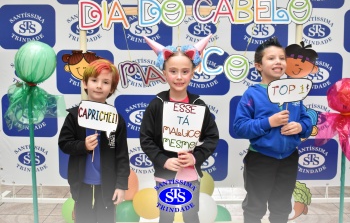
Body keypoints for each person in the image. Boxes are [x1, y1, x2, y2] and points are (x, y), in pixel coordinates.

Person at [140, 35, 219, 223]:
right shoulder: (156, 104)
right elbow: (146, 139)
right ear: (165, 73)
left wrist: (195, 157)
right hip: (164, 174)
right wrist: (163, 161)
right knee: (166, 217)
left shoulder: (199, 105)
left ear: (193, 73)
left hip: (190, 174)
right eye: (173, 71)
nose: (179, 77)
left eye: (185, 71)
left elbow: (212, 137)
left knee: (191, 216)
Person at [233, 37, 313, 223]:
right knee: (255, 207)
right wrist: (269, 122)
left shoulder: (294, 91)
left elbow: (306, 119)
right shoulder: (252, 94)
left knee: (282, 206)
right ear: (258, 66)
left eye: (282, 58)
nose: (278, 61)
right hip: (260, 159)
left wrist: (301, 126)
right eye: (271, 58)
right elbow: (240, 127)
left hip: (288, 159)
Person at [58, 59, 130, 223]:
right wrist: (82, 145)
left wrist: (121, 185)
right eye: (94, 80)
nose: (99, 86)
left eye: (105, 82)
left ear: (111, 88)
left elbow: (122, 156)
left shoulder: (117, 120)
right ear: (85, 83)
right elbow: (64, 143)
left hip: (107, 185)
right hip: (81, 183)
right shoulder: (74, 116)